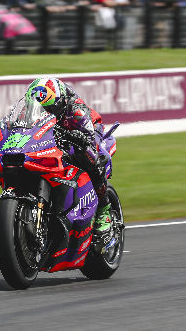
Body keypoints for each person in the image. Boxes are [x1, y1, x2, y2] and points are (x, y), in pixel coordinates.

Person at [25, 77, 113, 247]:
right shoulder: (31, 112)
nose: (45, 112)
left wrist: (79, 136)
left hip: (86, 135)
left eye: (49, 108)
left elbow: (88, 135)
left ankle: (104, 211)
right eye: (41, 108)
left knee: (90, 156)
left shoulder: (76, 109)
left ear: (59, 102)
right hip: (53, 143)